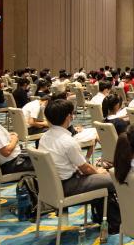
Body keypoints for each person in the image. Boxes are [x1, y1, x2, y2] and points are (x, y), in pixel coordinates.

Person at [39, 98, 118, 233]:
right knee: (112, 179)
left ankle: (107, 218)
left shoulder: (44, 137)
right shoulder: (67, 141)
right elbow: (85, 168)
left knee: (102, 178)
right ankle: (114, 221)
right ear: (68, 117)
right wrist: (98, 171)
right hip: (68, 186)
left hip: (51, 186)